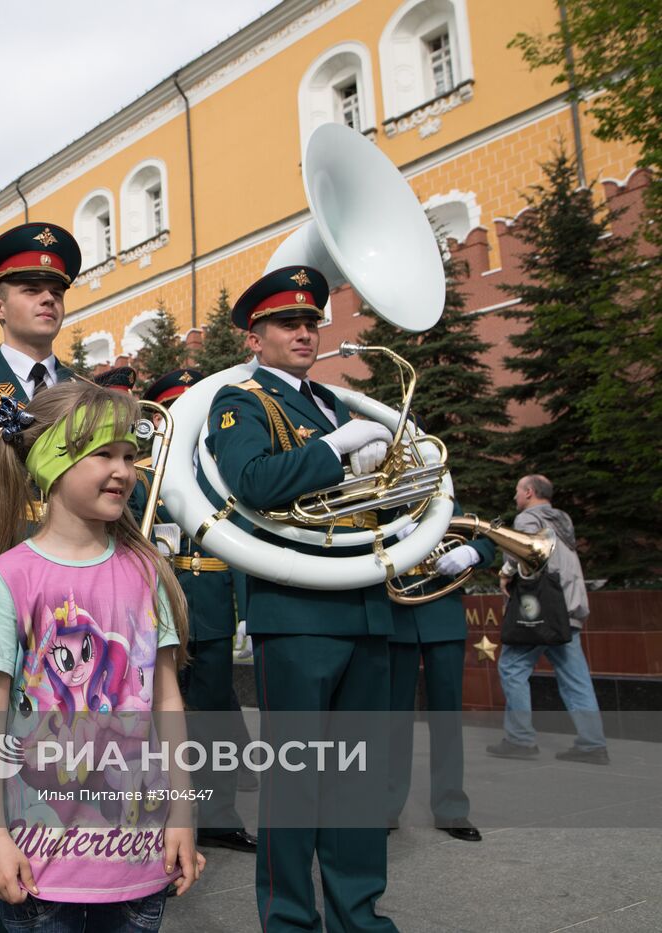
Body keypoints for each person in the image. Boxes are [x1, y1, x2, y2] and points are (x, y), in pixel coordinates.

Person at [204, 266, 399, 932]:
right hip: (296, 612)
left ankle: (358, 915)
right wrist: (334, 449)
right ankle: (290, 920)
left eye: (311, 322)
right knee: (297, 781)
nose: (305, 333)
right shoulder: (242, 400)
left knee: (356, 781)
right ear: (255, 338)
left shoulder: (334, 404)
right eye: (288, 323)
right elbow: (254, 480)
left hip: (363, 602)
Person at [0, 380, 203, 931]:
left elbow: (167, 701)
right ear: (53, 463)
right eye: (103, 454)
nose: (123, 469)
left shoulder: (148, 571)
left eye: (129, 454)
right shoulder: (9, 577)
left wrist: (184, 815)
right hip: (40, 868)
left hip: (139, 867)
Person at [0, 221, 80, 933]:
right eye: (31, 287)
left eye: (56, 288)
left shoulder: (88, 392)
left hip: (84, 608)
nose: (48, 298)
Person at [138, 368, 258, 855]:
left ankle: (217, 815)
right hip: (154, 606)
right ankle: (156, 817)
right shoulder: (140, 472)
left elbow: (245, 542)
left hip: (209, 608)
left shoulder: (219, 472)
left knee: (214, 720)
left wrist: (245, 609)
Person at [385, 502, 494, 841]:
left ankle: (451, 809)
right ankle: (386, 808)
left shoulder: (439, 499)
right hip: (396, 617)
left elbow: (484, 535)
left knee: (447, 718)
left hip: (442, 617)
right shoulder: (377, 503)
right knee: (393, 720)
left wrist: (471, 553)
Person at [487, 474, 608, 764]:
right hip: (569, 610)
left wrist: (506, 570)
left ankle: (520, 739)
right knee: (576, 679)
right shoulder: (563, 521)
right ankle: (593, 744)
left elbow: (526, 550)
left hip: (541, 610)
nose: (515, 497)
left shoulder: (529, 519)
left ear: (529, 492)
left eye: (517, 491)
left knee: (512, 668)